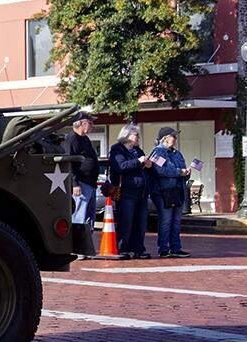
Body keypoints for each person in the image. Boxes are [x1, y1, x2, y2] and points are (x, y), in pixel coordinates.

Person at [108, 124, 152, 259]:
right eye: (135, 135)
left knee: (140, 222)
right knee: (126, 221)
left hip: (142, 192)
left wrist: (148, 165)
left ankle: (139, 248)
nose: (138, 138)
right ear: (126, 136)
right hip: (127, 192)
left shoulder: (138, 150)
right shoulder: (117, 150)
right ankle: (122, 248)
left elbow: (143, 166)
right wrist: (138, 162)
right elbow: (121, 166)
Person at [150, 127, 192, 258]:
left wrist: (186, 173)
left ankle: (176, 248)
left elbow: (182, 170)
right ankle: (163, 249)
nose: (175, 139)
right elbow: (160, 170)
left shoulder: (177, 154)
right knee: (166, 220)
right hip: (163, 192)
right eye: (173, 136)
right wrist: (179, 172)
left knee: (176, 221)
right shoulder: (157, 153)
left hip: (177, 191)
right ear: (165, 138)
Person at [64, 111, 100, 256]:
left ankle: (85, 248)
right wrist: (74, 184)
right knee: (80, 216)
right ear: (81, 123)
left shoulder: (85, 139)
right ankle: (77, 250)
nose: (92, 125)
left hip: (90, 183)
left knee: (89, 217)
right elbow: (68, 162)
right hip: (81, 183)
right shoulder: (71, 139)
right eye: (90, 122)